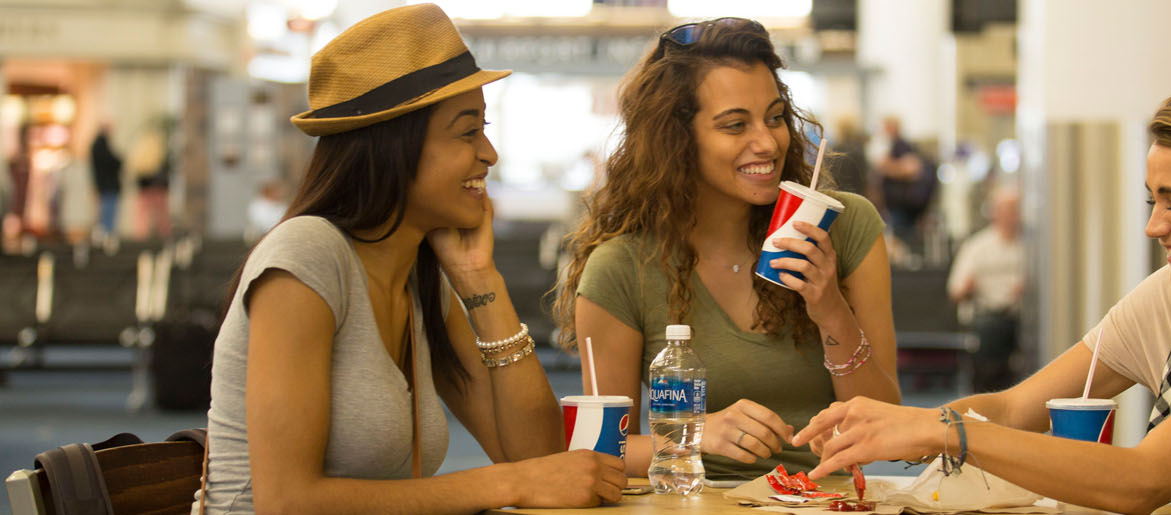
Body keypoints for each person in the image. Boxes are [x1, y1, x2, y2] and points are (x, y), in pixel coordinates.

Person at [794, 73, 1171, 514]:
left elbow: (1146, 478)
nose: (1155, 226)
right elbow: (1014, 409)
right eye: (1152, 201)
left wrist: (942, 433)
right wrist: (908, 420)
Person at [197, 5, 624, 513]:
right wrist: (506, 485)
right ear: (392, 146)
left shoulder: (418, 279)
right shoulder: (308, 255)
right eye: (468, 132)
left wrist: (479, 279)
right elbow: (288, 501)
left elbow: (538, 453)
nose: (489, 153)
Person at [554, 17, 901, 481]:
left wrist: (830, 309)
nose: (768, 142)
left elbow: (886, 424)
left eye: (775, 117)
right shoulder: (621, 268)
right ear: (676, 139)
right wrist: (694, 433)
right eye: (735, 125)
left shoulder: (844, 224)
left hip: (826, 501)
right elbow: (597, 452)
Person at [947, 187, 1025, 393]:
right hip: (988, 318)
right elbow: (955, 290)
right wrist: (969, 288)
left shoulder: (1028, 247)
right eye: (1005, 209)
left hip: (1021, 318)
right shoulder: (977, 247)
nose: (1010, 215)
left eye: (1014, 209)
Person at [876, 115, 937, 254]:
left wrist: (887, 167)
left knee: (904, 242)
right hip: (899, 205)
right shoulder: (893, 146)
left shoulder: (901, 145)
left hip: (903, 206)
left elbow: (912, 168)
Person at [89, 126, 122, 235]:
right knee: (107, 215)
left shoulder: (98, 145)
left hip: (104, 185)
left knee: (106, 213)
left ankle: (105, 235)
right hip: (108, 186)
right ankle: (107, 237)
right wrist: (119, 161)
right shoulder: (101, 146)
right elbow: (111, 161)